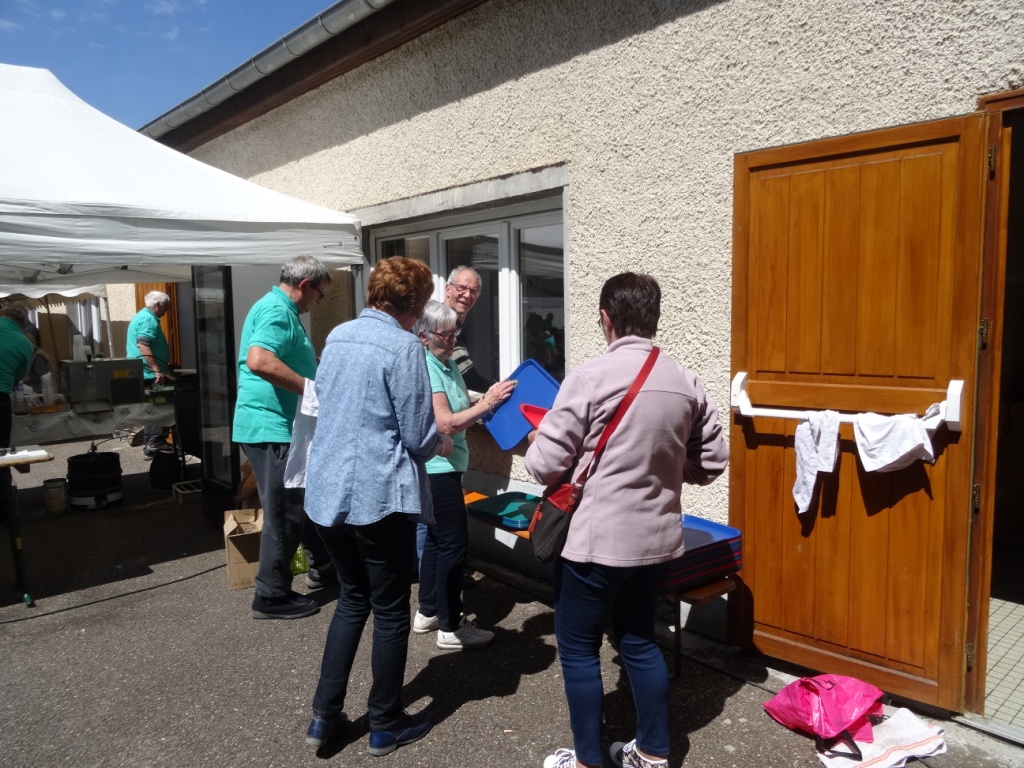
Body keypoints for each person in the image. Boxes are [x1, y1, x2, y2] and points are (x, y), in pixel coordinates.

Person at [524, 273, 729, 768]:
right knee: (638, 639)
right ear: (654, 319)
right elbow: (712, 461)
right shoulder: (685, 380)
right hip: (655, 540)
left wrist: (538, 442)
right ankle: (654, 754)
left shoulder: (590, 376)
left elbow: (543, 466)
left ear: (605, 318)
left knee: (578, 650)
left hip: (594, 544)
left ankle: (588, 760)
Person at [303, 257, 453, 755]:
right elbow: (417, 434)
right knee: (389, 610)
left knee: (351, 599)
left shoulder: (339, 335)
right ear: (413, 304)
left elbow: (327, 402)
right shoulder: (404, 346)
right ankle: (385, 723)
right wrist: (441, 440)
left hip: (327, 495)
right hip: (376, 498)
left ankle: (325, 717)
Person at [233, 255, 336, 620]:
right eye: (319, 296)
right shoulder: (278, 312)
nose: (316, 304)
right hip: (271, 428)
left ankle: (325, 567)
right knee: (284, 514)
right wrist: (311, 389)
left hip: (277, 427)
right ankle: (271, 596)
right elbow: (259, 360)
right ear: (305, 285)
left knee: (299, 503)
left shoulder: (279, 311)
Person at [412, 300, 515, 650]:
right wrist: (487, 404)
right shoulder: (426, 366)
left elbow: (462, 404)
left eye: (456, 332)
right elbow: (445, 422)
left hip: (447, 466)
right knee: (454, 544)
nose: (453, 338)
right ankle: (451, 625)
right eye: (445, 334)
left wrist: (487, 400)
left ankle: (428, 611)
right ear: (424, 336)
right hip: (437, 469)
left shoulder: (446, 362)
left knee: (439, 542)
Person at [126, 291, 174, 459]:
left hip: (143, 372)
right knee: (159, 408)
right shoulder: (148, 319)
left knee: (150, 410)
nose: (167, 309)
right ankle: (155, 441)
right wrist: (156, 369)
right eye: (166, 306)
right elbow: (143, 345)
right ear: (158, 305)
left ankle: (150, 445)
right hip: (149, 373)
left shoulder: (141, 316)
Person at [1, 302, 34, 523]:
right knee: (1, 457)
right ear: (23, 323)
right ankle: (4, 515)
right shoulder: (24, 343)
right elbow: (17, 381)